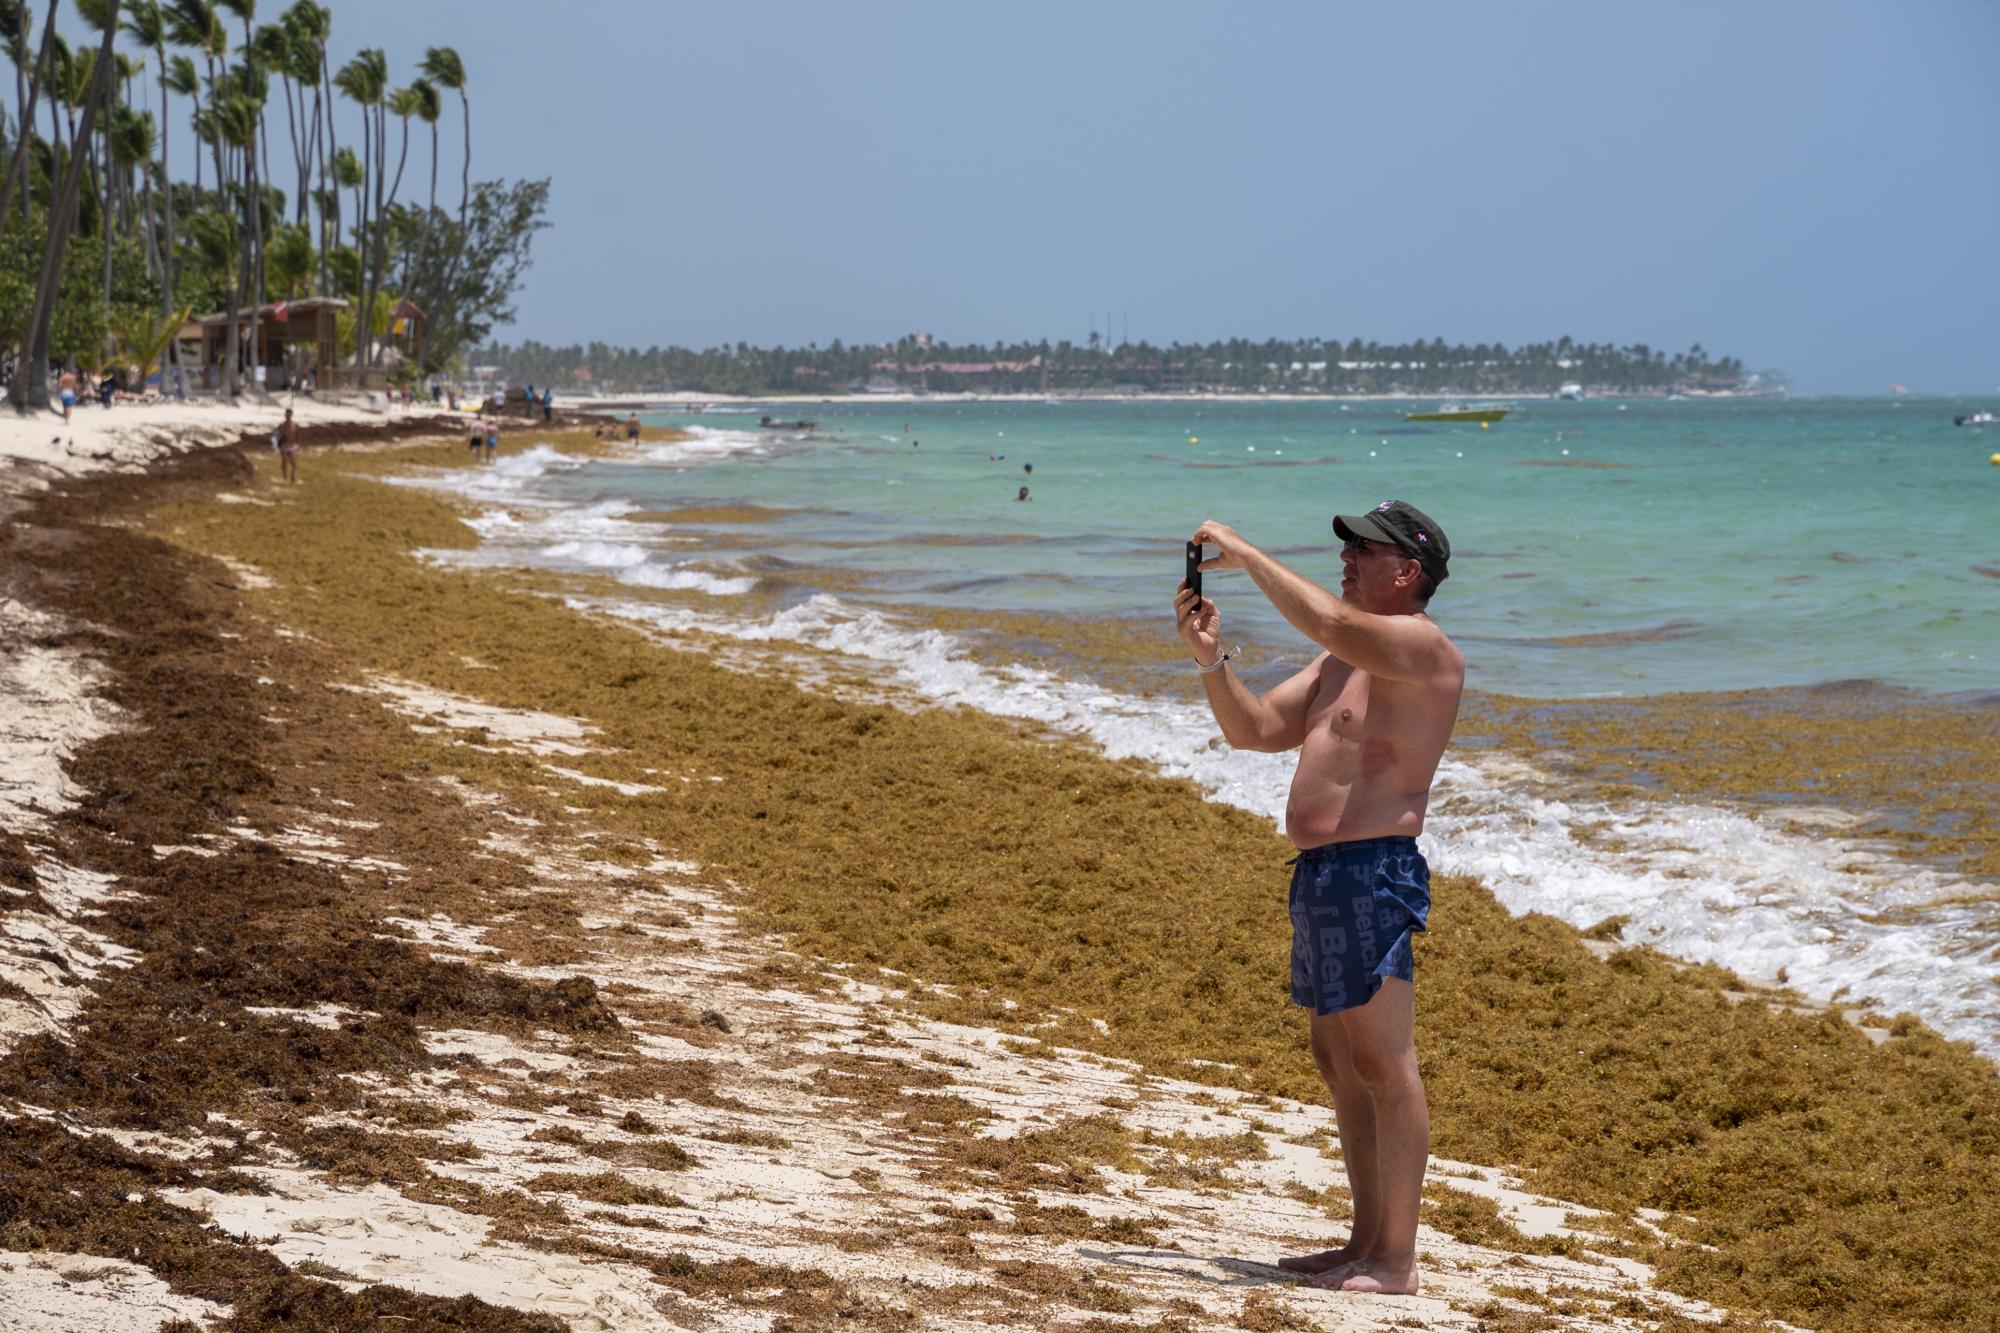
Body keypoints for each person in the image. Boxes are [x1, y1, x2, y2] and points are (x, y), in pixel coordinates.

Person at [1173, 500, 1463, 1298]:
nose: (1347, 559)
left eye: (1363, 550)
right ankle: (1364, 1242)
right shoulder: (1344, 661)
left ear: (1406, 570)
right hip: (1323, 875)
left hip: (1374, 870)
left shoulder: (1419, 646)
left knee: (1383, 1059)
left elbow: (1331, 618)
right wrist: (1210, 661)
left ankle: (1396, 1260)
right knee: (1338, 1057)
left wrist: (1242, 547)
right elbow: (1257, 728)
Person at [276, 408, 302, 483]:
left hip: (292, 445)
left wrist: (298, 444)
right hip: (284, 445)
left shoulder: (295, 425)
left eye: (289, 414)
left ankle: (293, 476)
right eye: (286, 414)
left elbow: (298, 435)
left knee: (293, 462)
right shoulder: (282, 425)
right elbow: (277, 435)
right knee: (284, 461)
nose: (287, 415)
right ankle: (285, 477)